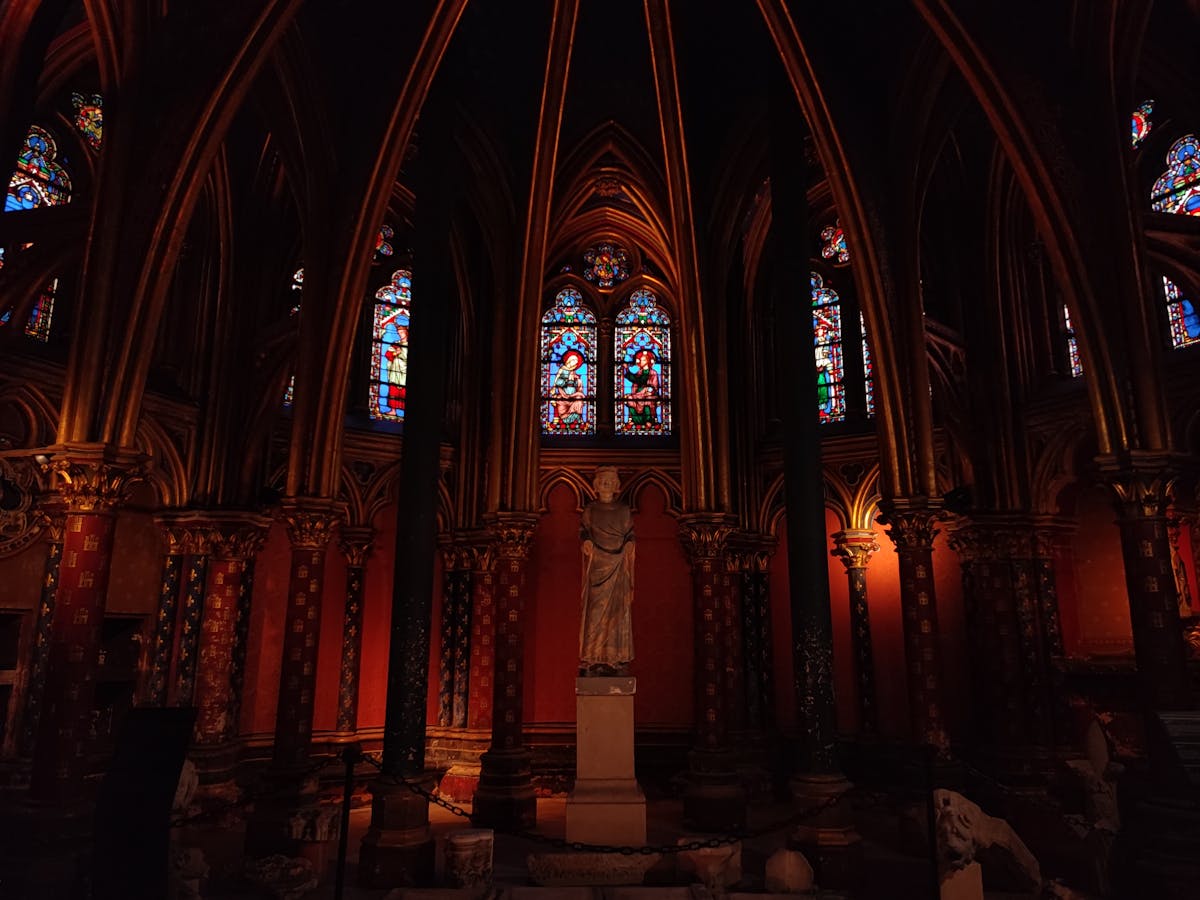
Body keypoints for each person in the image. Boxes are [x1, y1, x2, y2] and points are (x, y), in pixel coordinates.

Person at [579, 466, 634, 675]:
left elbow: (630, 533)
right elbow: (584, 531)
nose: (606, 484)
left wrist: (629, 544)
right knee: (595, 612)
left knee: (618, 612)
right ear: (595, 485)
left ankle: (615, 657)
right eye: (602, 481)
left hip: (618, 564)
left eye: (610, 481)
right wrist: (586, 541)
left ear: (617, 485)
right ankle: (593, 656)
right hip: (597, 567)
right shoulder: (590, 510)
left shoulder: (623, 510)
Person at [624, 349, 659, 427]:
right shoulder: (639, 372)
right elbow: (636, 380)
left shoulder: (653, 373)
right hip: (637, 394)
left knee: (647, 400)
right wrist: (626, 369)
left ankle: (648, 420)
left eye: (643, 360)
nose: (641, 361)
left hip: (647, 394)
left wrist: (650, 391)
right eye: (640, 360)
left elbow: (655, 386)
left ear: (648, 361)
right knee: (629, 398)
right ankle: (635, 420)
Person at [551, 349, 586, 426]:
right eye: (574, 360)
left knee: (579, 400)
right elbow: (557, 382)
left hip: (573, 395)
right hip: (563, 394)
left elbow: (577, 384)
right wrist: (566, 381)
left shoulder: (573, 372)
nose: (576, 363)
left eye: (577, 361)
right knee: (560, 401)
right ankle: (564, 417)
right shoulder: (562, 370)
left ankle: (579, 418)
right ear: (569, 360)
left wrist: (577, 381)